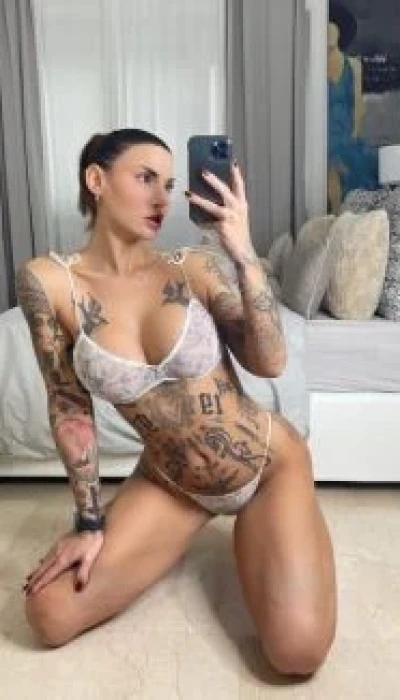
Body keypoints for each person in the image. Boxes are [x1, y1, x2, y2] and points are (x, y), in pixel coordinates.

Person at [16, 128, 336, 676]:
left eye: (168, 184)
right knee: (48, 614)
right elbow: (69, 405)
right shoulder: (49, 283)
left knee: (297, 653)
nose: (162, 199)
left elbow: (271, 361)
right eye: (145, 178)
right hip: (173, 480)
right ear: (96, 180)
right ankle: (190, 531)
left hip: (264, 465)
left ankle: (276, 523)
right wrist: (89, 524)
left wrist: (244, 255)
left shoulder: (194, 265)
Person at [328, 2, 379, 212]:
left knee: (355, 175)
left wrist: (352, 138)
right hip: (322, 137)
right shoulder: (314, 66)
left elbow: (358, 107)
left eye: (332, 27)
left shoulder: (354, 66)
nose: (328, 33)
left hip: (346, 137)